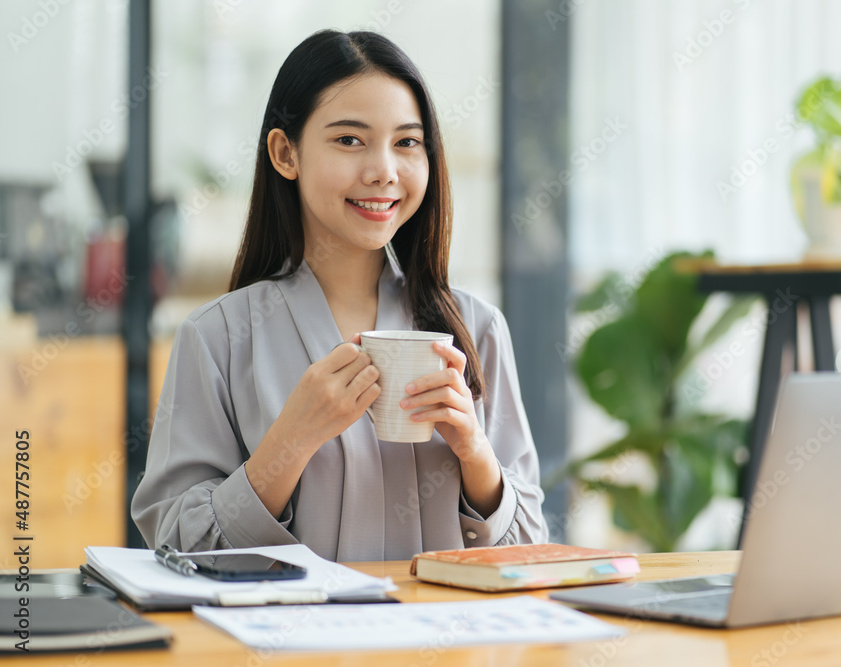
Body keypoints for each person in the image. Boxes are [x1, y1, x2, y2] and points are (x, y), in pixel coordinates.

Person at [131, 30, 548, 561]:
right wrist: (291, 441)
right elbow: (175, 546)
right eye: (350, 140)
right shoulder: (217, 337)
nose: (383, 171)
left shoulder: (477, 328)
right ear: (286, 153)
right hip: (288, 644)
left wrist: (475, 455)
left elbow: (533, 547)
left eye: (407, 142)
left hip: (450, 641)